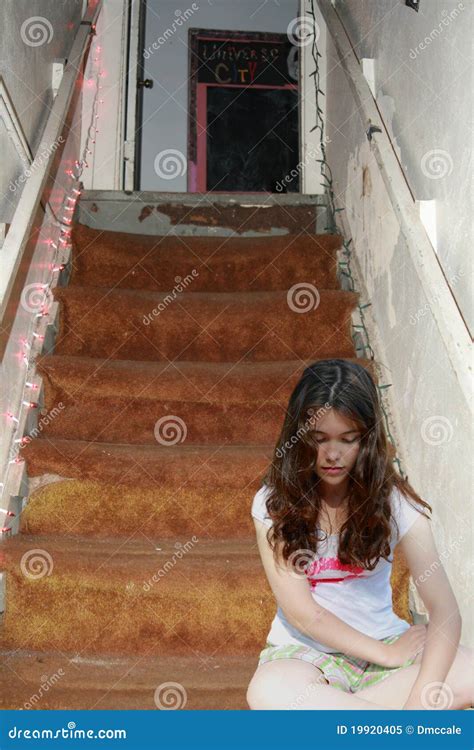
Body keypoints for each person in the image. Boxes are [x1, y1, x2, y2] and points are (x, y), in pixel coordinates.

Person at [246, 359, 473, 710]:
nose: (332, 454)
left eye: (348, 440)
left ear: (367, 439)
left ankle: (354, 726)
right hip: (306, 655)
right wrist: (387, 654)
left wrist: (419, 702)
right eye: (319, 440)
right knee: (268, 692)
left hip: (389, 649)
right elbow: (305, 614)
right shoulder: (273, 504)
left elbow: (445, 610)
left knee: (468, 672)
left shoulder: (395, 502)